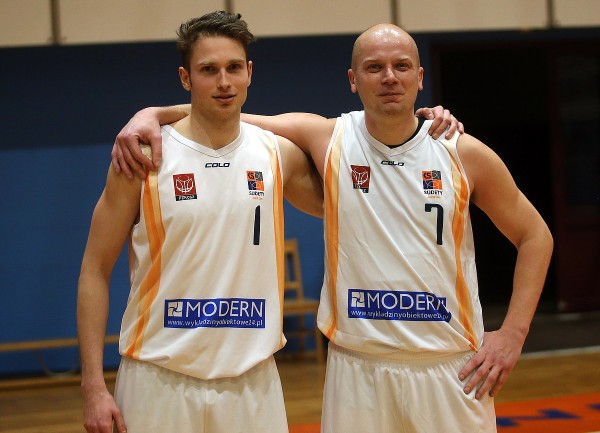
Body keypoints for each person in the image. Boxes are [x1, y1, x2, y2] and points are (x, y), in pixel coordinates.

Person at [113, 24, 552, 433]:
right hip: (356, 368)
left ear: (420, 78)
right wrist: (150, 114)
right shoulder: (327, 138)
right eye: (374, 68)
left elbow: (535, 236)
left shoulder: (462, 153)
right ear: (352, 80)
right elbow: (223, 113)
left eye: (401, 66)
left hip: (450, 366)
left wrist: (513, 334)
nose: (389, 77)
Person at [77, 11, 326, 433]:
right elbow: (94, 270)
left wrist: (425, 125)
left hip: (252, 381)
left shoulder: (276, 154)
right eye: (208, 70)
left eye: (233, 68)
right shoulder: (142, 158)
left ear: (249, 73)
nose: (224, 82)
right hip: (158, 379)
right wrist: (93, 386)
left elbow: (351, 189)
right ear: (185, 78)